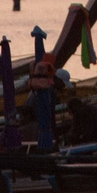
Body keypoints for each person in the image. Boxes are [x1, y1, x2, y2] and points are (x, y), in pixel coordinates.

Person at [26, 26, 61, 154]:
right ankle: (39, 37)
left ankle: (38, 37)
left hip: (38, 88)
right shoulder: (46, 84)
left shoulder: (38, 67)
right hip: (41, 89)